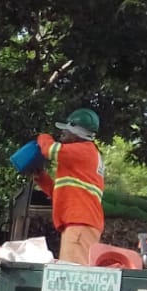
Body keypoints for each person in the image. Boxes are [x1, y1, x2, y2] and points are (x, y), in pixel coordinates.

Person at [34, 108, 105, 264]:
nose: (62, 133)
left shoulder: (82, 150)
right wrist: (41, 177)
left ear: (77, 131)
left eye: (66, 129)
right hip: (80, 223)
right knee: (70, 272)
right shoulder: (82, 155)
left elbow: (49, 150)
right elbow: (60, 194)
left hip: (79, 223)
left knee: (73, 275)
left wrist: (41, 136)